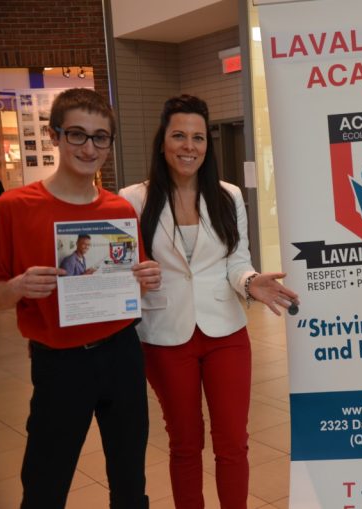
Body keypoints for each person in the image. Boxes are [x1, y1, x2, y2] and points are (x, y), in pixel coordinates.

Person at [120, 95, 298, 509]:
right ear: (162, 141)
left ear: (207, 144)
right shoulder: (133, 200)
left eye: (198, 137)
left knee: (233, 441)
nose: (189, 146)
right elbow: (122, 270)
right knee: (185, 443)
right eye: (179, 135)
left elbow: (236, 261)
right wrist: (134, 279)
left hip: (226, 332)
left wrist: (251, 281)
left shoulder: (227, 196)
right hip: (165, 335)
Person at [0, 88, 161, 509]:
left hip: (121, 354)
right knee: (46, 484)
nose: (89, 147)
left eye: (100, 137)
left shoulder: (119, 210)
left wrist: (146, 277)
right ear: (54, 136)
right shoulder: (13, 207)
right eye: (77, 135)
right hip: (59, 363)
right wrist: (16, 288)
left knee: (129, 479)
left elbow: (129, 283)